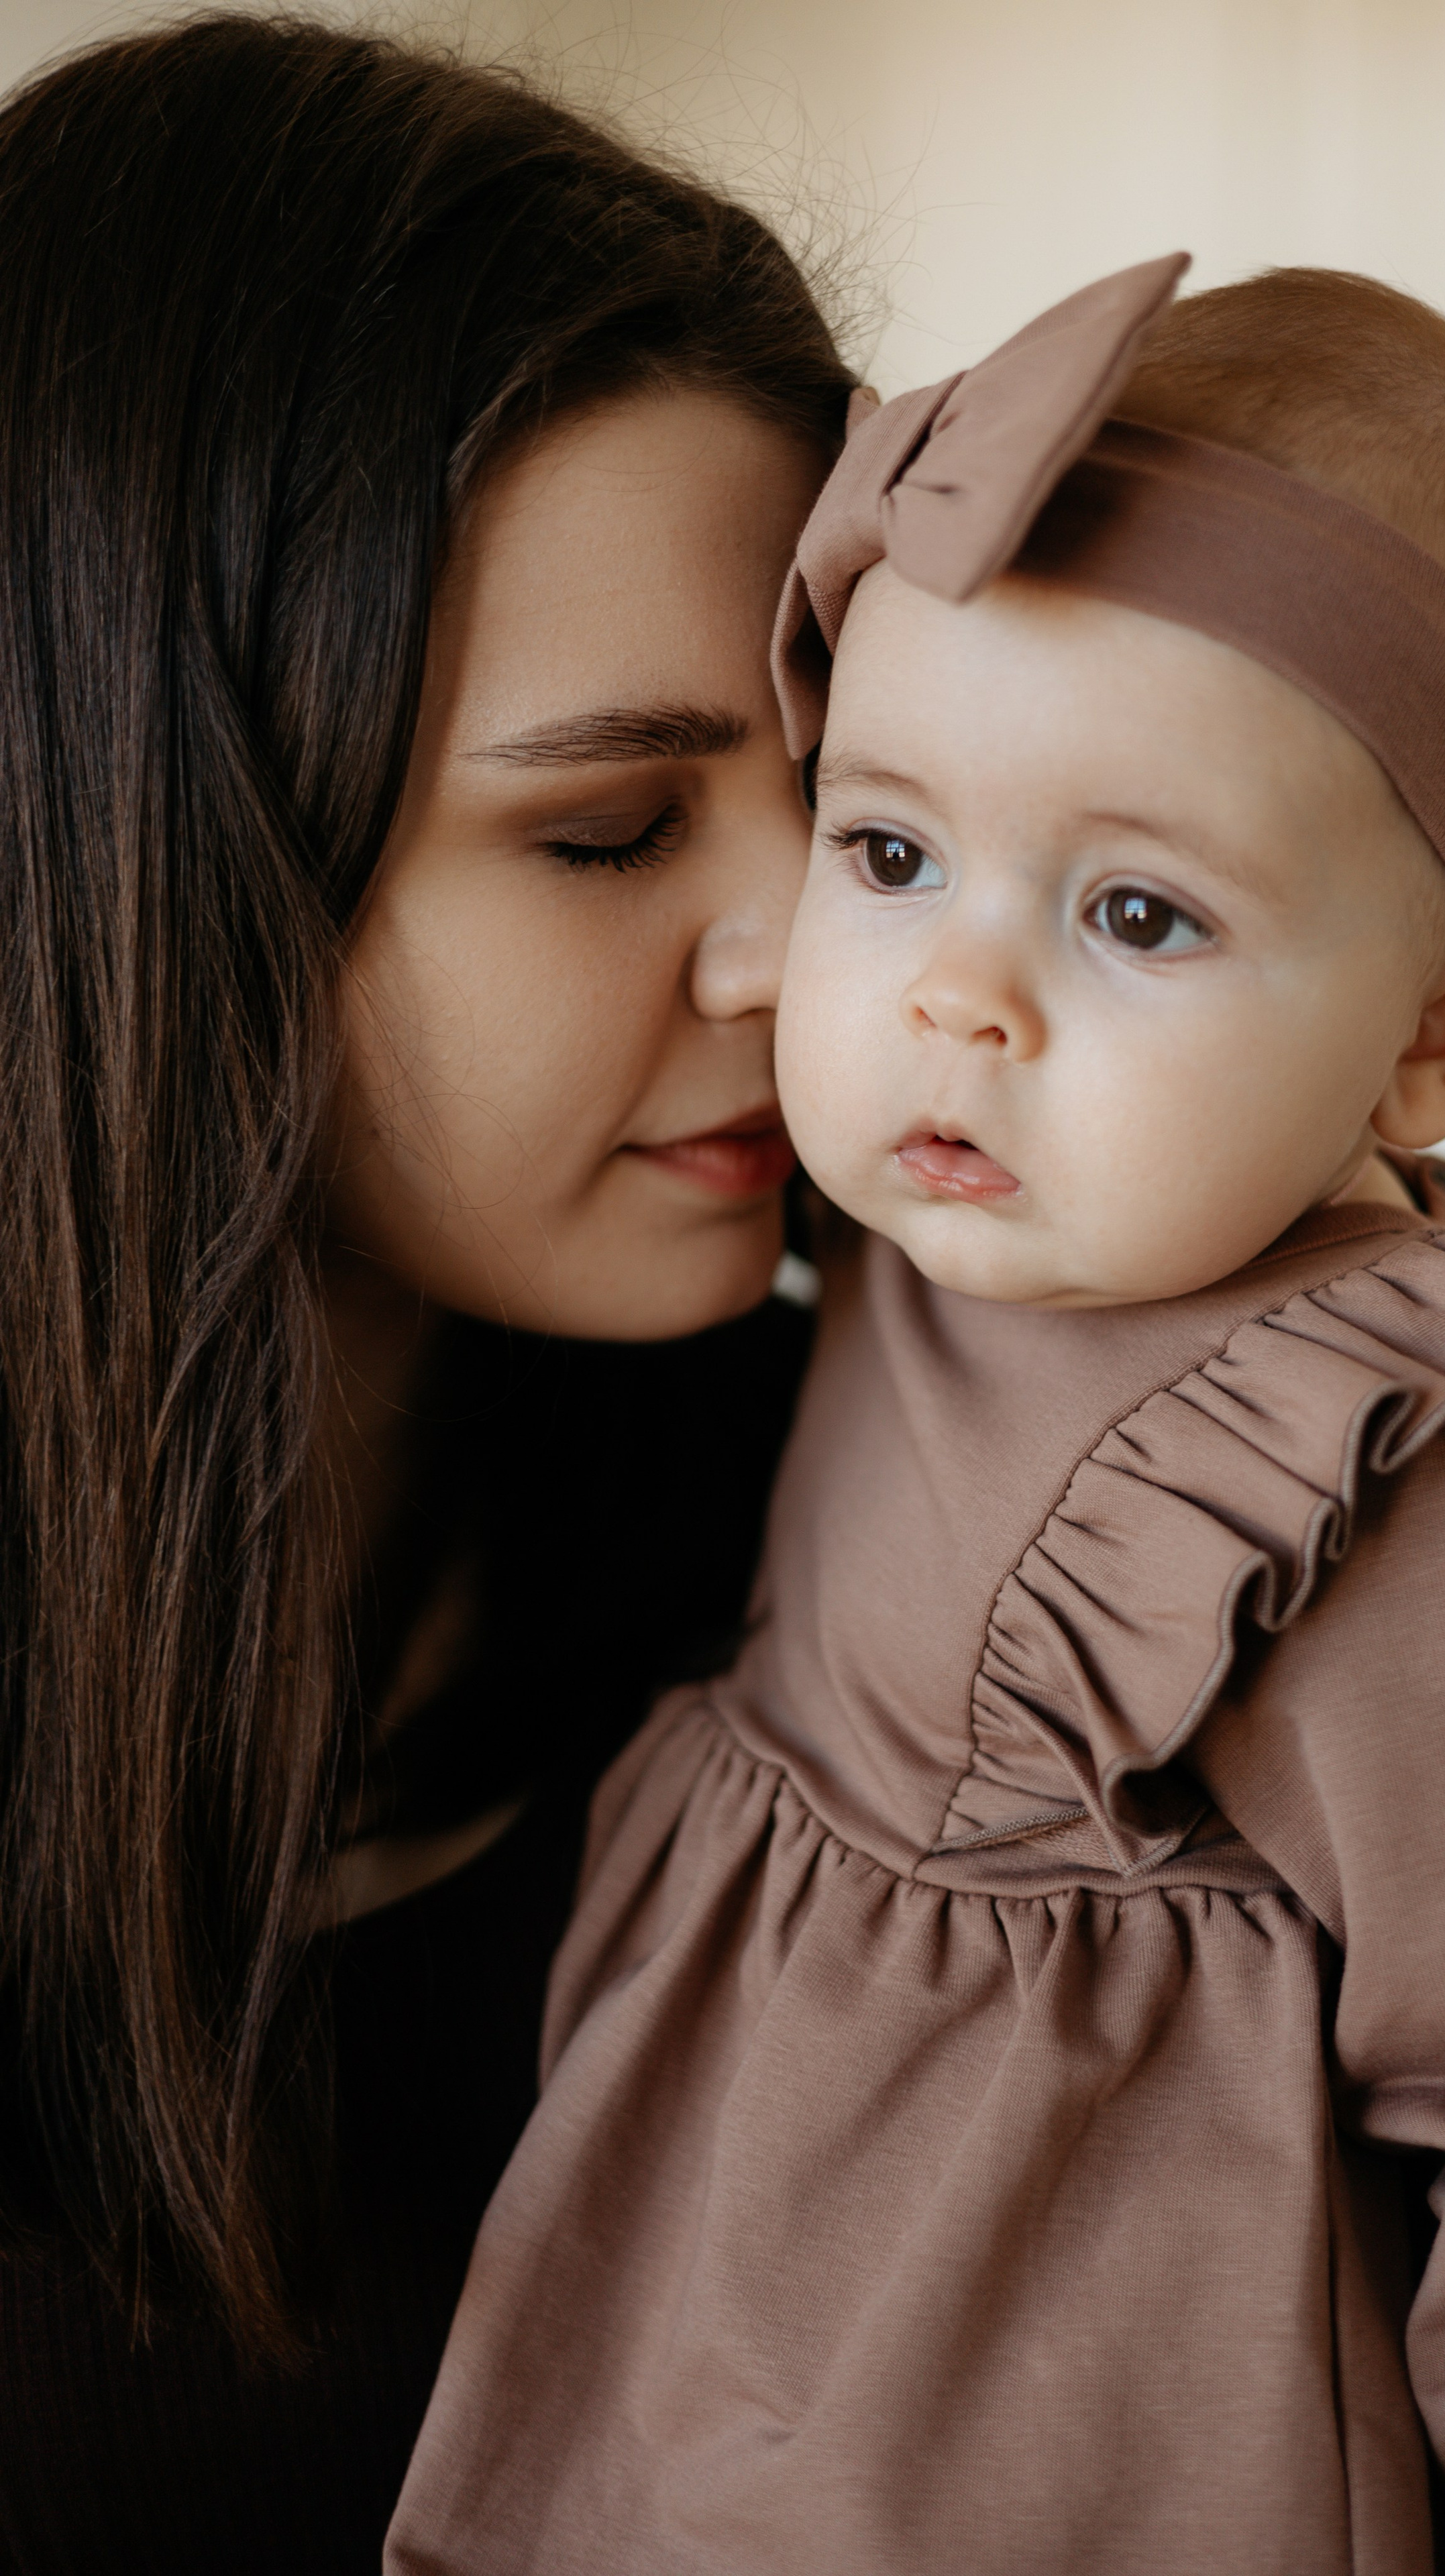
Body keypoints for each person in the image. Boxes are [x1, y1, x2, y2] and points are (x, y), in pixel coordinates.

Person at [387, 262, 1445, 2574]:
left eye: (1137, 913)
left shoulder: (1419, 1482)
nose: (952, 1003)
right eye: (887, 852)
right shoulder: (882, 1257)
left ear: (1443, 1043)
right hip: (698, 2422)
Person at [0, 17, 850, 2571]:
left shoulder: (890, 1572)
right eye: (607, 833)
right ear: (132, 853)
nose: (813, 948)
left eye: (857, 787)